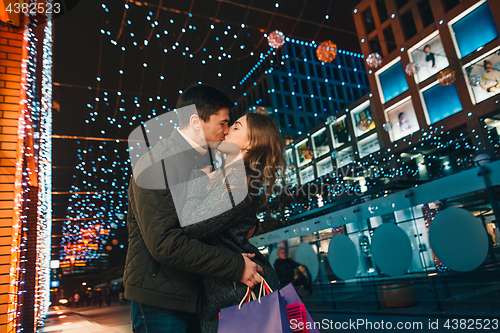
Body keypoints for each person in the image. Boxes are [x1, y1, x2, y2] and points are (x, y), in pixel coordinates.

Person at [124, 84, 264, 333]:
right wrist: (235, 265)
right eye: (222, 123)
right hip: (162, 300)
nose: (226, 131)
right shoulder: (158, 162)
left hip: (195, 296)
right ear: (196, 121)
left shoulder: (203, 158)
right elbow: (165, 243)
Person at [180, 112, 285, 333]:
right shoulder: (233, 177)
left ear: (251, 143)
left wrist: (198, 181)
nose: (227, 130)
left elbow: (191, 226)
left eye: (236, 127)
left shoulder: (238, 181)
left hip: (239, 295)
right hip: (232, 291)